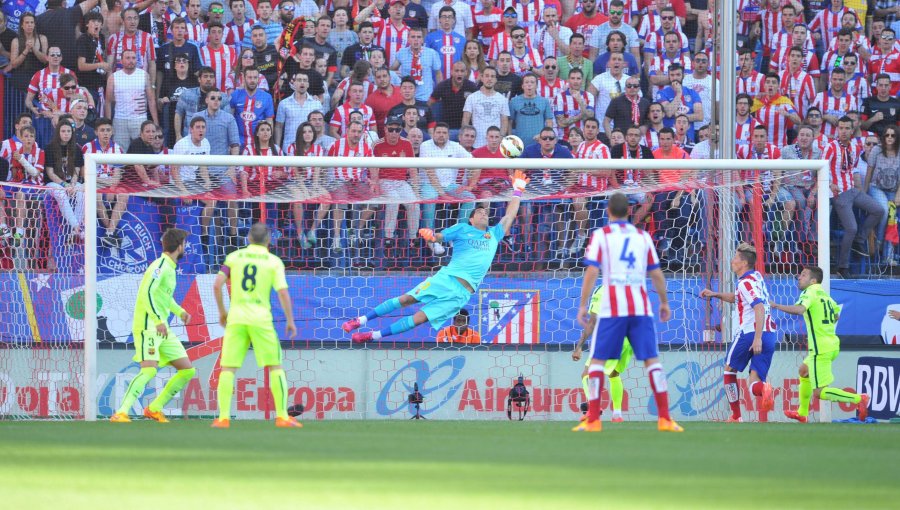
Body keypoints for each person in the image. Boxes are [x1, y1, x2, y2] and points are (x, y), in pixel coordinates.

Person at [342, 170, 528, 343]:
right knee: (407, 299)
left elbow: (510, 215)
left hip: (462, 294)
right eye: (479, 212)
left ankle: (372, 336)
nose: (483, 213)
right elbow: (439, 236)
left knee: (419, 319)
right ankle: (361, 320)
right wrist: (432, 236)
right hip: (446, 279)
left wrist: (518, 190)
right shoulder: (462, 229)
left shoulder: (494, 234)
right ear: (471, 219)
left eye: (485, 212)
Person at [573, 193, 681, 433]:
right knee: (652, 361)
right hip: (640, 308)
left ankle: (593, 419)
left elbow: (591, 271)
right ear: (629, 211)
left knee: (597, 364)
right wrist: (664, 302)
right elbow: (656, 273)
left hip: (613, 309)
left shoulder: (602, 235)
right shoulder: (642, 237)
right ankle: (665, 418)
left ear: (609, 211)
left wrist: (583, 304)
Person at [212, 223, 300, 428]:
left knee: (228, 368)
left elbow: (217, 284)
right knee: (275, 367)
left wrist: (223, 312)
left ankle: (223, 418)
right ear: (268, 241)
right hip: (261, 319)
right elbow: (283, 292)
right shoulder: (273, 261)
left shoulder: (234, 257)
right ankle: (282, 417)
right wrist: (289, 320)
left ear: (248, 239)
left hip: (236, 318)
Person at [109, 228, 197, 423]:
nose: (186, 247)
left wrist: (180, 312)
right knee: (148, 370)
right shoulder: (159, 266)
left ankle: (154, 408)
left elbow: (163, 298)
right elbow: (147, 294)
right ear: (179, 246)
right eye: (185, 244)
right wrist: (158, 320)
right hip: (149, 326)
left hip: (162, 327)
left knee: (187, 370)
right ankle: (121, 412)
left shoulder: (170, 268)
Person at [771, 266, 870, 423]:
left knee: (819, 392)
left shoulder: (809, 293)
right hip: (831, 344)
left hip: (820, 348)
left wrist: (776, 306)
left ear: (813, 280)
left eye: (803, 275)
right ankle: (802, 413)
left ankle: (858, 398)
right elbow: (836, 315)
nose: (799, 277)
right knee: (804, 371)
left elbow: (799, 309)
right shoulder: (826, 296)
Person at [700, 243, 777, 423]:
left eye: (735, 258)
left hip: (751, 333)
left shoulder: (744, 283)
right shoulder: (756, 277)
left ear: (743, 263)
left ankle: (736, 416)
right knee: (753, 383)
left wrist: (756, 338)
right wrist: (715, 294)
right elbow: (738, 299)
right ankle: (763, 389)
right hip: (770, 334)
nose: (732, 261)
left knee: (729, 371)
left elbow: (758, 306)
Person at [827, 116, 884, 276]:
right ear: (837, 129)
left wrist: (859, 188)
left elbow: (852, 170)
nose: (844, 131)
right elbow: (821, 168)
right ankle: (842, 267)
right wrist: (830, 184)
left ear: (852, 130)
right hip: (838, 193)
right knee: (851, 227)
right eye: (841, 128)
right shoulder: (831, 147)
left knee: (878, 210)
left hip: (852, 189)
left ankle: (860, 238)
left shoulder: (853, 146)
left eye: (847, 128)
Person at [572, 284, 632, 423]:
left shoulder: (603, 290)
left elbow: (592, 322)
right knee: (613, 374)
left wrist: (579, 347)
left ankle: (593, 409)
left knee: (587, 373)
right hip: (631, 336)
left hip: (614, 336)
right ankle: (617, 415)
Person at [105, 49, 158, 152]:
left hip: (139, 119)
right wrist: (108, 123)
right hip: (120, 120)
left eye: (133, 58)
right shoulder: (113, 77)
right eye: (128, 58)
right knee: (120, 152)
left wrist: (155, 122)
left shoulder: (143, 75)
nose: (131, 60)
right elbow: (108, 102)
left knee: (141, 150)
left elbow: (151, 100)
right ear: (121, 61)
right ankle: (121, 169)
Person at [45, 120, 85, 240]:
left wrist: (72, 184)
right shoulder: (50, 148)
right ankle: (76, 227)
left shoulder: (77, 148)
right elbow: (50, 173)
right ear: (58, 132)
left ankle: (74, 231)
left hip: (70, 182)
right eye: (63, 131)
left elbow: (76, 171)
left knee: (82, 192)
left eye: (69, 131)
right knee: (61, 193)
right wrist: (64, 184)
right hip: (53, 183)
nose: (66, 134)